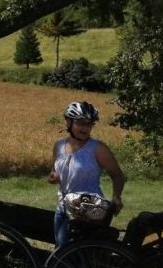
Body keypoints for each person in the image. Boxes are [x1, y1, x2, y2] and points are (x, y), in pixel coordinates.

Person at [48, 100, 125, 249]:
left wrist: (116, 196)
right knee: (62, 249)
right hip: (62, 207)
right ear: (68, 122)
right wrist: (54, 176)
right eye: (81, 123)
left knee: (65, 250)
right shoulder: (59, 146)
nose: (85, 128)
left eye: (89, 124)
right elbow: (54, 170)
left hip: (87, 210)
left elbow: (117, 175)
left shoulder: (98, 149)